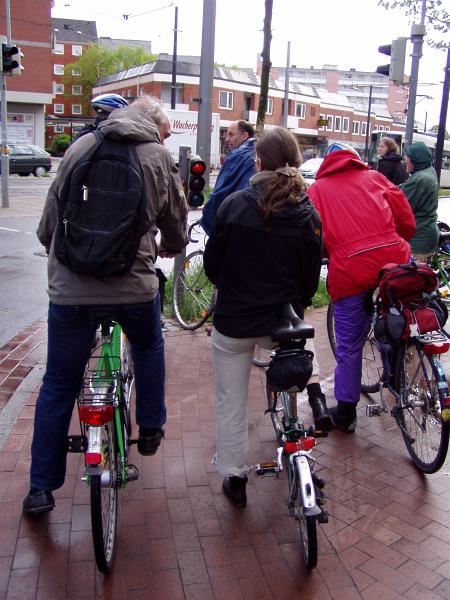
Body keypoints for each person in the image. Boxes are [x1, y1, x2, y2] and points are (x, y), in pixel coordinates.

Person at [23, 95, 188, 516]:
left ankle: (40, 488)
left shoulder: (82, 146)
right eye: (165, 132)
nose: (164, 138)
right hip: (131, 287)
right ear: (153, 124)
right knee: (148, 345)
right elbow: (174, 218)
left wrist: (54, 250)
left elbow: (51, 215)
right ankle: (150, 427)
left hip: (72, 289)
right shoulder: (155, 156)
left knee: (59, 382)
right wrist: (171, 245)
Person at [203, 127, 324, 507]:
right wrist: (294, 304)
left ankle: (235, 478)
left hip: (235, 323)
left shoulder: (235, 205)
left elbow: (213, 266)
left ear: (258, 162)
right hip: (282, 323)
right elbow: (309, 281)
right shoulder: (307, 213)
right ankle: (297, 428)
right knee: (298, 361)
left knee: (231, 401)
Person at [307, 142, 416, 433]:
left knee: (350, 345)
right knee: (401, 319)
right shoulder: (376, 178)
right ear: (354, 160)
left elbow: (311, 236)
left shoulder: (317, 191)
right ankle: (398, 375)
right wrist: (395, 238)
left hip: (351, 270)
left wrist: (327, 253)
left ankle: (346, 414)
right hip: (394, 261)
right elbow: (407, 222)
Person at [200, 120, 256, 235]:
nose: (226, 139)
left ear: (244, 136)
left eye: (231, 134)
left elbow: (220, 193)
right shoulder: (259, 154)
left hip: (234, 223)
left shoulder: (237, 156)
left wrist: (207, 220)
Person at [400, 141, 439, 263]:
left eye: (407, 158)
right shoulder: (430, 171)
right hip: (428, 233)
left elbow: (400, 205)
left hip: (418, 241)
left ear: (415, 160)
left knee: (413, 279)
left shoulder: (419, 179)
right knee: (425, 276)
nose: (404, 161)